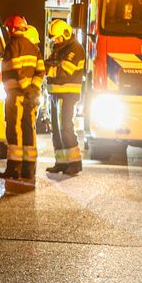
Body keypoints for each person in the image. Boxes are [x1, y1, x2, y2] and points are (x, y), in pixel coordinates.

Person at [0, 15, 45, 180]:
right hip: (30, 97)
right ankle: (28, 169)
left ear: (11, 29)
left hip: (16, 95)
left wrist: (25, 88)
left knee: (14, 130)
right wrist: (34, 88)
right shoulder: (33, 47)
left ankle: (14, 167)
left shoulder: (12, 45)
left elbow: (16, 69)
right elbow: (41, 70)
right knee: (29, 129)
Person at [44, 19, 85, 175]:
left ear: (66, 34)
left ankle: (74, 162)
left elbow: (64, 72)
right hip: (56, 93)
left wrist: (46, 68)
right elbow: (49, 64)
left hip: (67, 94)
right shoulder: (60, 49)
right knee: (56, 129)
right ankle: (61, 162)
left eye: (58, 38)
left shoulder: (75, 49)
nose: (56, 41)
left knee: (65, 127)